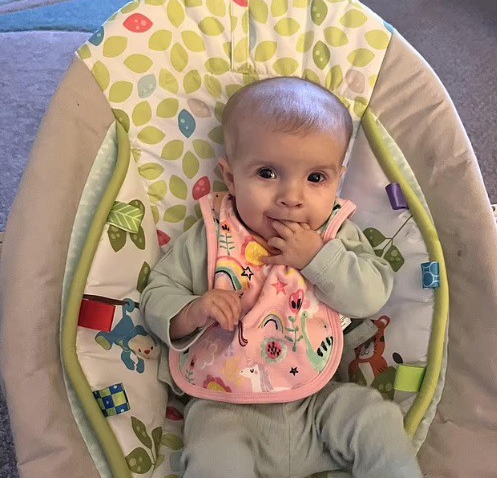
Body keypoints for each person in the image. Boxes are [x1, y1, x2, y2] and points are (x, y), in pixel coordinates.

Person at [141, 76, 422, 478]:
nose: (292, 196)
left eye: (316, 178)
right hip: (226, 406)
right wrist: (192, 311)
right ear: (231, 177)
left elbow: (373, 294)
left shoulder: (335, 235)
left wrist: (319, 258)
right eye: (268, 173)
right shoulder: (212, 236)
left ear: (338, 179)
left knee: (375, 418)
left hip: (316, 405)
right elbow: (157, 293)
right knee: (213, 453)